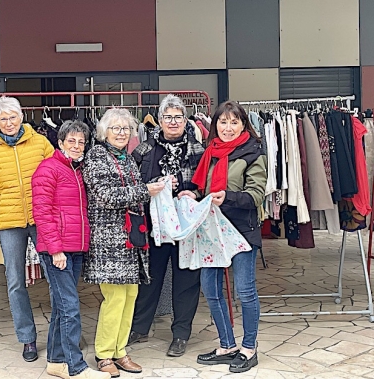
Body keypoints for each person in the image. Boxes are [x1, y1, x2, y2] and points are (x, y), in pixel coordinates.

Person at [83, 108, 165, 377]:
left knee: (130, 296)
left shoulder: (128, 159)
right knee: (115, 297)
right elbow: (107, 195)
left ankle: (120, 351)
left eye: (126, 128)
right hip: (109, 241)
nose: (121, 133)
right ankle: (104, 354)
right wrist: (145, 191)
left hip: (130, 239)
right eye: (116, 128)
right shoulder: (96, 157)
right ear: (104, 132)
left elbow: (131, 192)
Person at [0, 96, 54, 362]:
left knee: (57, 276)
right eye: (3, 119)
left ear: (21, 116)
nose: (8, 123)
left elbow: (58, 179)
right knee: (15, 281)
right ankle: (27, 339)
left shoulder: (41, 143)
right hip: (8, 224)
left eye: (12, 117)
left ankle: (62, 330)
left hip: (42, 219)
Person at [191, 101, 266, 373]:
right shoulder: (210, 152)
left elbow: (257, 194)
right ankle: (227, 345)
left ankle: (249, 348)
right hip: (212, 232)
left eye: (234, 122)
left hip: (242, 232)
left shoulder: (253, 153)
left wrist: (228, 198)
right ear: (215, 126)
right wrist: (191, 193)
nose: (228, 128)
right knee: (210, 288)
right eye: (223, 122)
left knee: (244, 291)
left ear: (244, 125)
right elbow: (202, 187)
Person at [32, 120, 110, 379]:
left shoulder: (77, 170)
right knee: (70, 307)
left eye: (81, 142)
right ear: (61, 142)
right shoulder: (48, 169)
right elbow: (42, 213)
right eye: (72, 141)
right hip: (57, 250)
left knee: (61, 307)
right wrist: (55, 250)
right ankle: (75, 367)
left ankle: (55, 361)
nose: (77, 146)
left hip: (75, 247)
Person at [128, 94, 205, 357]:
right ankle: (140, 327)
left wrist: (192, 192)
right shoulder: (144, 150)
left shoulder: (198, 150)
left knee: (186, 280)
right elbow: (133, 186)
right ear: (159, 121)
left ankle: (181, 334)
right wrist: (156, 186)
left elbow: (207, 185)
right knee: (150, 278)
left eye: (178, 117)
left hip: (187, 228)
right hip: (154, 227)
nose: (173, 122)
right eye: (168, 117)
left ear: (186, 120)